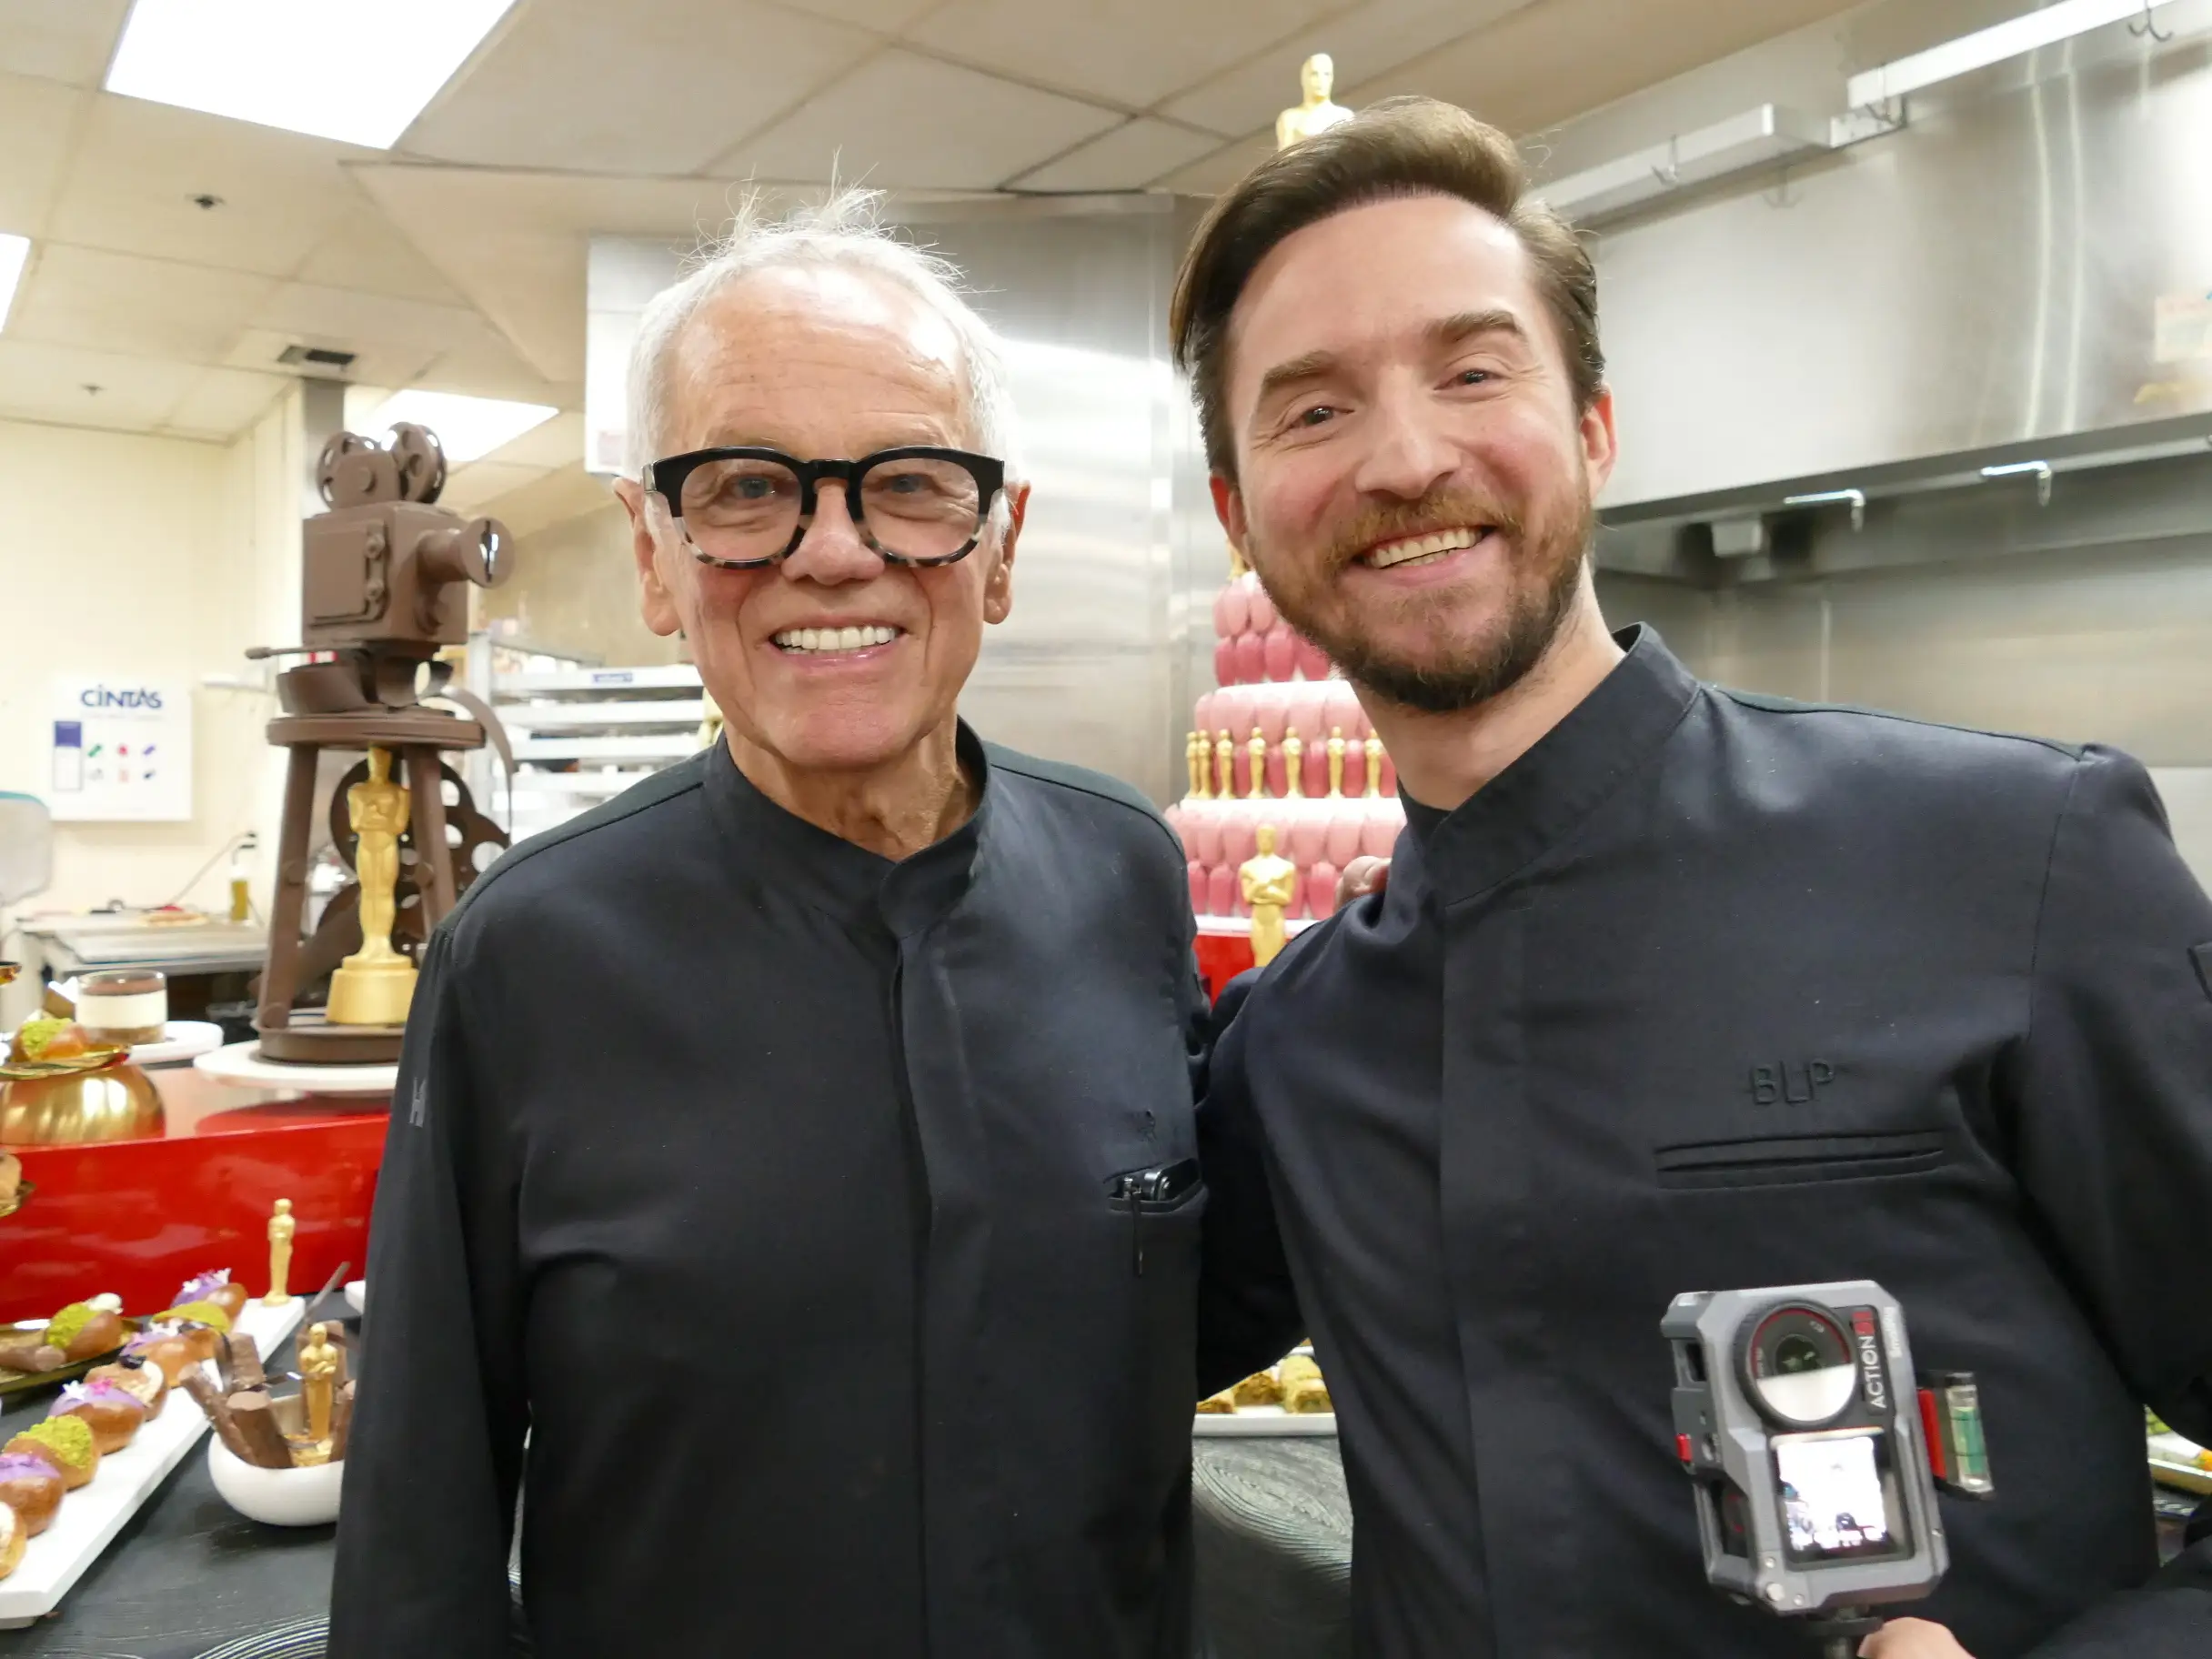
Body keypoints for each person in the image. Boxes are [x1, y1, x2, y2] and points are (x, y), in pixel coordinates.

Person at [1178, 97, 2212, 1658]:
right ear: (1241, 519)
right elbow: (1027, 1337)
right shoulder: (1306, 1048)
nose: (1406, 455)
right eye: (1311, 410)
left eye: (1473, 370)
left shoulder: (2015, 862)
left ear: (1593, 429)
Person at [332, 189, 1207, 1656]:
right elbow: (426, 1511)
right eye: (745, 487)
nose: (834, 551)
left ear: (1000, 545)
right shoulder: (531, 957)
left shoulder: (1127, 877)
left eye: (913, 483)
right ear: (653, 553)